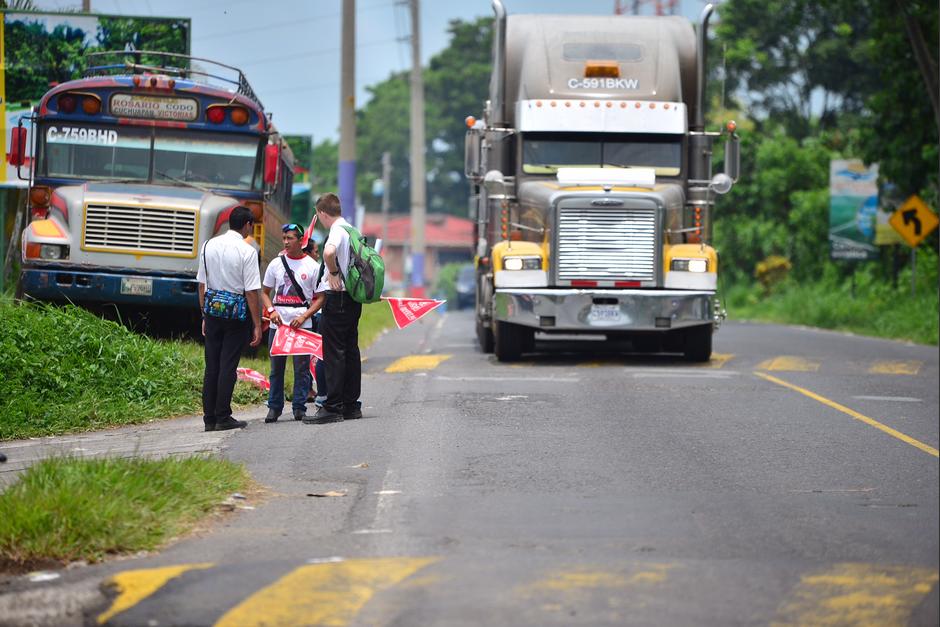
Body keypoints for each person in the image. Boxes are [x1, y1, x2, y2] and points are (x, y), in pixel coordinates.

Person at [197, 205, 263, 432]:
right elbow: (252, 291)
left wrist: (204, 314)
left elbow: (202, 285)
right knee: (228, 365)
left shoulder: (207, 246)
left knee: (211, 365)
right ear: (247, 225)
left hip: (213, 311)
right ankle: (223, 416)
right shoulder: (247, 251)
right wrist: (257, 324)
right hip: (236, 315)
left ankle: (209, 418)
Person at [304, 193, 363, 424]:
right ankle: (350, 405)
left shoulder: (337, 231)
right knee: (350, 351)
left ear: (322, 213)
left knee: (333, 353)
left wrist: (334, 273)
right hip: (352, 299)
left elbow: (328, 253)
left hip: (337, 298)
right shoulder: (351, 229)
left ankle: (332, 407)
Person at [261, 223, 323, 422]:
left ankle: (299, 407)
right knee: (275, 369)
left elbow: (321, 298)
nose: (286, 242)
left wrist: (304, 316)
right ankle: (274, 407)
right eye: (284, 238)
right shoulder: (276, 264)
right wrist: (271, 311)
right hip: (278, 326)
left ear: (301, 240)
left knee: (302, 369)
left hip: (302, 326)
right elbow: (264, 292)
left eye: (291, 238)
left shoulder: (312, 267)